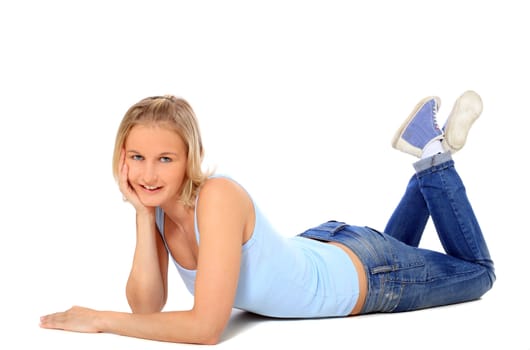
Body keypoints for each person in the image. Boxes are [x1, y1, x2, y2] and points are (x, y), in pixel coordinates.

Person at [39, 91, 495, 345]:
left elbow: (204, 328)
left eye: (165, 159)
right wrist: (141, 215)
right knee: (409, 254)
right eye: (137, 157)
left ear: (189, 160)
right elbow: (147, 306)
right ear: (121, 156)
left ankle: (433, 156)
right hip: (331, 250)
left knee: (480, 274)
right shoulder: (158, 210)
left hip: (368, 275)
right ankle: (434, 155)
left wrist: (100, 319)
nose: (148, 173)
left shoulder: (215, 197)